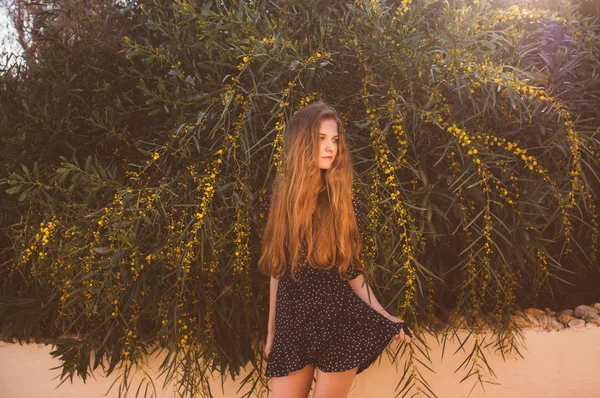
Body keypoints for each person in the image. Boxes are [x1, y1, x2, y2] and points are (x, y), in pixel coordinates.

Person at [258, 101, 413, 398]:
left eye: (335, 140)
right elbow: (278, 269)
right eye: (321, 139)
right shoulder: (276, 200)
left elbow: (351, 270)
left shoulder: (342, 200)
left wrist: (385, 316)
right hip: (294, 323)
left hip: (338, 320)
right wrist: (272, 332)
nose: (331, 147)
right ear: (302, 142)